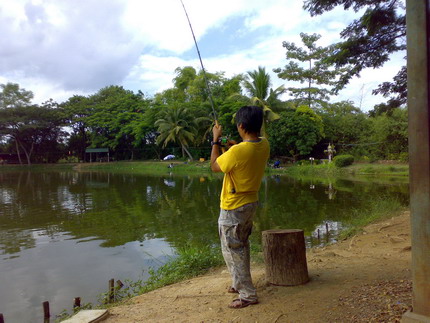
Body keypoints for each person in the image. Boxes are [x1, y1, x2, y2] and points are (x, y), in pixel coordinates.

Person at [210, 106, 270, 309]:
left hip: (233, 207)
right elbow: (245, 153)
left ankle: (248, 295)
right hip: (249, 203)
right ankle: (238, 284)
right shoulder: (264, 145)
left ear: (242, 126)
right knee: (239, 246)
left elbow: (215, 166)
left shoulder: (237, 151)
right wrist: (235, 145)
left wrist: (216, 140)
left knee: (234, 249)